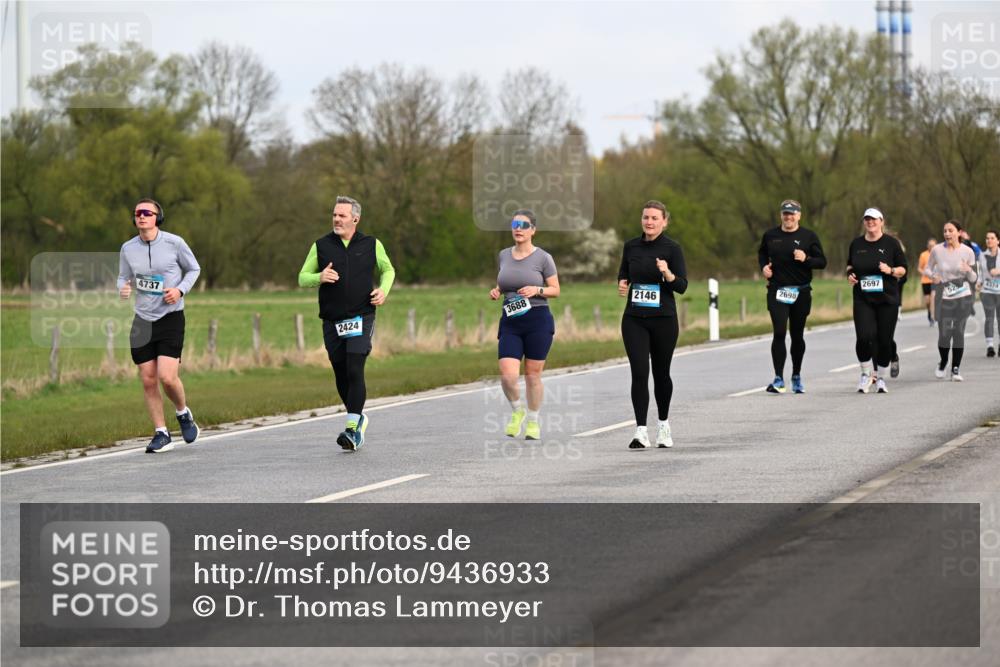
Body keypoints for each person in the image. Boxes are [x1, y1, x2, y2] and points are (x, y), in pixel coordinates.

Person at [298, 196, 395, 451]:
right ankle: (358, 416)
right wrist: (319, 276)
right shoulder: (321, 245)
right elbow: (302, 277)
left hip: (362, 315)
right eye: (334, 215)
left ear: (355, 218)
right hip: (332, 319)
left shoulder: (371, 244)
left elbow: (388, 270)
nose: (336, 219)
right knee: (341, 372)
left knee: (354, 366)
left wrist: (383, 290)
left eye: (342, 215)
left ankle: (352, 429)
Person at [117, 198, 201, 453]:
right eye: (137, 213)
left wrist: (179, 290)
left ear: (157, 217)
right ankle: (161, 433)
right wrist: (123, 287)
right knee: (148, 379)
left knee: (167, 377)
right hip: (143, 319)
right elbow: (123, 275)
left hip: (171, 316)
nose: (141, 217)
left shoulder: (175, 243)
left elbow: (194, 269)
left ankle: (183, 413)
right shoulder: (128, 248)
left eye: (146, 213)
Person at [618, 200, 687, 449]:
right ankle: (640, 431)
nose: (649, 222)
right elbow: (624, 272)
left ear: (664, 222)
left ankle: (663, 425)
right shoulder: (631, 247)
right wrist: (623, 283)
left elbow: (681, 286)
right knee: (639, 373)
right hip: (634, 319)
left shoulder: (672, 249)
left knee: (661, 374)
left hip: (664, 321)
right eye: (646, 217)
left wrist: (668, 274)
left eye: (654, 218)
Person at [489, 209, 560, 441]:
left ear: (533, 230)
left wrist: (537, 290)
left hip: (537, 319)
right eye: (515, 224)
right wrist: (497, 290)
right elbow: (506, 281)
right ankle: (517, 409)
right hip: (511, 321)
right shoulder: (503, 255)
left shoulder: (543, 258)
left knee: (532, 375)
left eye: (524, 225)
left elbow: (555, 290)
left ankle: (533, 420)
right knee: (508, 375)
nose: (518, 228)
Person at [757, 199, 827, 394]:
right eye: (785, 213)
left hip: (801, 291)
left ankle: (796, 375)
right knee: (779, 332)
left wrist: (807, 259)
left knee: (797, 335)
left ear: (799, 216)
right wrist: (763, 267)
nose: (788, 217)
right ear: (781, 215)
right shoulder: (771, 235)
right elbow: (762, 253)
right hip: (777, 290)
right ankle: (779, 378)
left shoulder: (808, 236)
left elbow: (822, 262)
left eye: (792, 214)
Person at [846, 208, 908, 394]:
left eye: (874, 219)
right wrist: (850, 274)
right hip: (863, 298)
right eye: (867, 220)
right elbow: (850, 265)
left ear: (881, 221)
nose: (870, 223)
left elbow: (903, 269)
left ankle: (880, 378)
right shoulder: (856, 244)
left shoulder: (891, 244)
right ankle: (866, 375)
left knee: (884, 341)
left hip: (887, 299)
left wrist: (890, 270)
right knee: (864, 337)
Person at [924, 220, 977, 381]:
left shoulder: (968, 251)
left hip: (963, 296)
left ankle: (955, 369)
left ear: (959, 233)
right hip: (944, 295)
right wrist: (934, 276)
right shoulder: (937, 250)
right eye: (945, 231)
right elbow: (927, 268)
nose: (947, 233)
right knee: (944, 334)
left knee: (958, 332)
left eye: (950, 230)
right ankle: (944, 361)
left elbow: (974, 278)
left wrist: (968, 270)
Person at [978, 229, 1000, 358]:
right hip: (987, 291)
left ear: (998, 240)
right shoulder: (982, 255)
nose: (989, 240)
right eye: (987, 238)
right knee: (989, 318)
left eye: (992, 238)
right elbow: (981, 272)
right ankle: (990, 346)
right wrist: (978, 282)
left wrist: (998, 271)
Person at [918, 238, 937, 325]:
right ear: (927, 246)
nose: (932, 247)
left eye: (933, 245)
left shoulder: (938, 254)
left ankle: (933, 316)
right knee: (927, 300)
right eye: (930, 245)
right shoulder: (923, 255)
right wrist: (924, 273)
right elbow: (919, 268)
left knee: (933, 297)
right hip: (925, 281)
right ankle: (929, 313)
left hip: (934, 280)